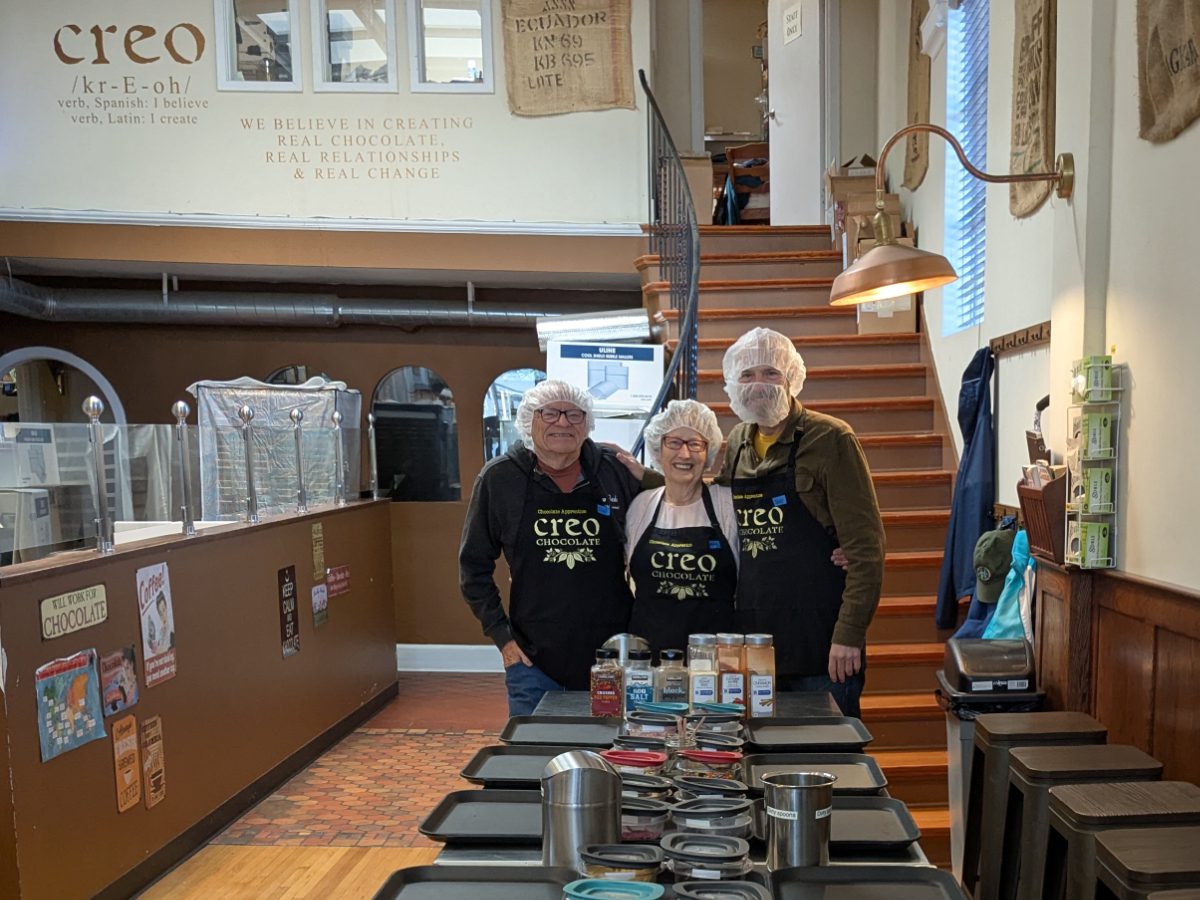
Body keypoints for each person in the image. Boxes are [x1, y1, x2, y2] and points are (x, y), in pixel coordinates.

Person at [717, 327, 885, 717]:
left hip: (823, 644)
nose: (759, 384)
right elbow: (713, 504)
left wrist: (849, 636)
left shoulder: (831, 438)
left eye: (771, 373)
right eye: (747, 375)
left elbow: (866, 551)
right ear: (732, 384)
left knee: (830, 759)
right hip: (755, 643)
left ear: (793, 378)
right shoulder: (738, 441)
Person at [459, 380, 646, 716]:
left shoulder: (613, 470)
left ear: (588, 424)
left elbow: (672, 508)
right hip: (532, 663)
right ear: (529, 420)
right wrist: (503, 639)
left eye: (575, 414)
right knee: (534, 759)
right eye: (550, 413)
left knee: (610, 759)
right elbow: (473, 567)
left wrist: (648, 477)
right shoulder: (499, 479)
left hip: (611, 658)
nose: (563, 422)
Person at [625, 400, 738, 653]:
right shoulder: (641, 507)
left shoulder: (727, 507)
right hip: (647, 662)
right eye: (674, 442)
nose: (684, 454)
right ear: (658, 449)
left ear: (707, 453)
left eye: (695, 444)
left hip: (715, 663)